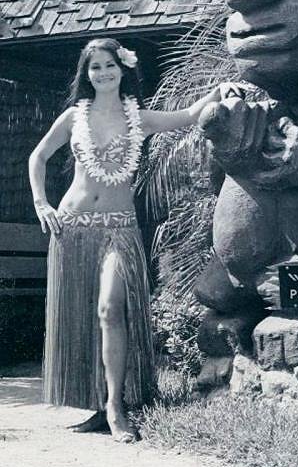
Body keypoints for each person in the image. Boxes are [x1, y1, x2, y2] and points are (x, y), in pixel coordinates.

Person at [28, 37, 242, 443]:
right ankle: (96, 402)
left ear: (123, 69)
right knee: (84, 317)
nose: (103, 73)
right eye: (95, 67)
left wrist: (223, 88)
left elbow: (189, 115)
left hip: (120, 228)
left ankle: (115, 406)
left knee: (111, 308)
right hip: (72, 228)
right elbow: (37, 157)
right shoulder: (74, 117)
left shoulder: (139, 118)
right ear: (86, 74)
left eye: (110, 65)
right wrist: (41, 203)